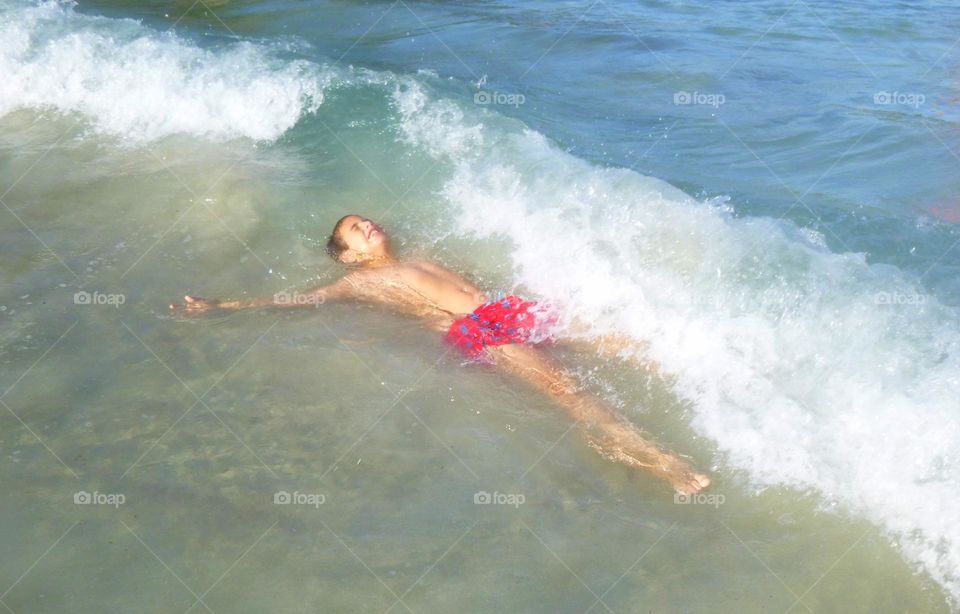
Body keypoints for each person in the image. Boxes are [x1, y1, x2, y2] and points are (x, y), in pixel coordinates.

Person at [170, 215, 711, 494]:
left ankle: (699, 372)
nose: (366, 225)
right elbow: (297, 299)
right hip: (478, 331)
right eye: (354, 230)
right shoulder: (357, 283)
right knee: (568, 391)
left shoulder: (421, 254)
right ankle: (664, 465)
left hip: (503, 309)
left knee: (612, 339)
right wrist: (223, 305)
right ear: (348, 255)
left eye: (365, 220)